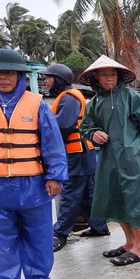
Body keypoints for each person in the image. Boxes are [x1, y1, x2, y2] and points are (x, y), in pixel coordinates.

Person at [0, 49, 67, 279]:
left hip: (33, 183)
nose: (3, 77)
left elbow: (53, 144)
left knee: (40, 234)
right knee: (1, 239)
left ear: (19, 76)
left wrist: (55, 176)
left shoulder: (37, 104)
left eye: (9, 72)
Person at [79, 55, 140, 266]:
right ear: (96, 77)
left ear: (119, 76)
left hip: (132, 156)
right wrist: (93, 133)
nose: (109, 78)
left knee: (136, 198)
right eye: (105, 74)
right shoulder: (94, 103)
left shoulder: (131, 97)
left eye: (113, 74)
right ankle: (129, 242)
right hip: (108, 158)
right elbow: (85, 127)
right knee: (115, 197)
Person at [42, 63, 110, 252]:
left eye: (48, 78)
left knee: (70, 193)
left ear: (59, 80)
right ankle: (99, 226)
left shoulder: (69, 98)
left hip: (75, 154)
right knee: (88, 193)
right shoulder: (70, 97)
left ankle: (60, 234)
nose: (46, 82)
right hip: (83, 152)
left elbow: (63, 126)